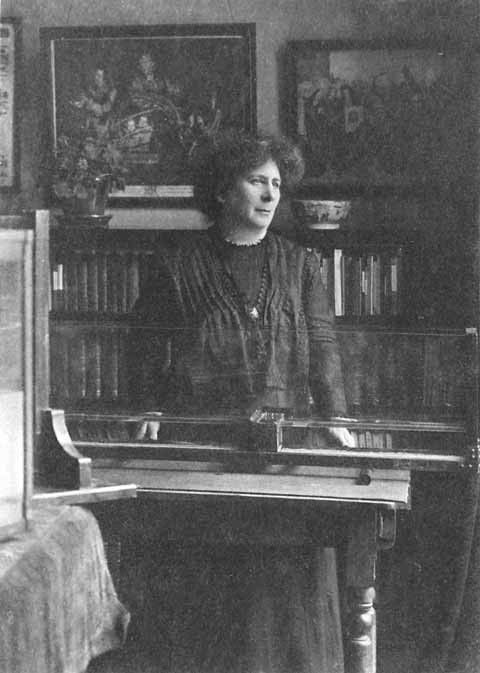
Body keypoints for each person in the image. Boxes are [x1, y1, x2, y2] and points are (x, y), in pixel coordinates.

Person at [130, 129, 355, 673]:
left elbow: (323, 345)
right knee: (212, 601)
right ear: (222, 190)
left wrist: (336, 416)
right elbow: (146, 345)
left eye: (276, 183)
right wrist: (149, 408)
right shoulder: (177, 263)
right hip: (206, 452)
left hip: (284, 454)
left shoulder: (302, 264)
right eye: (257, 181)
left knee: (286, 598)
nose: (271, 194)